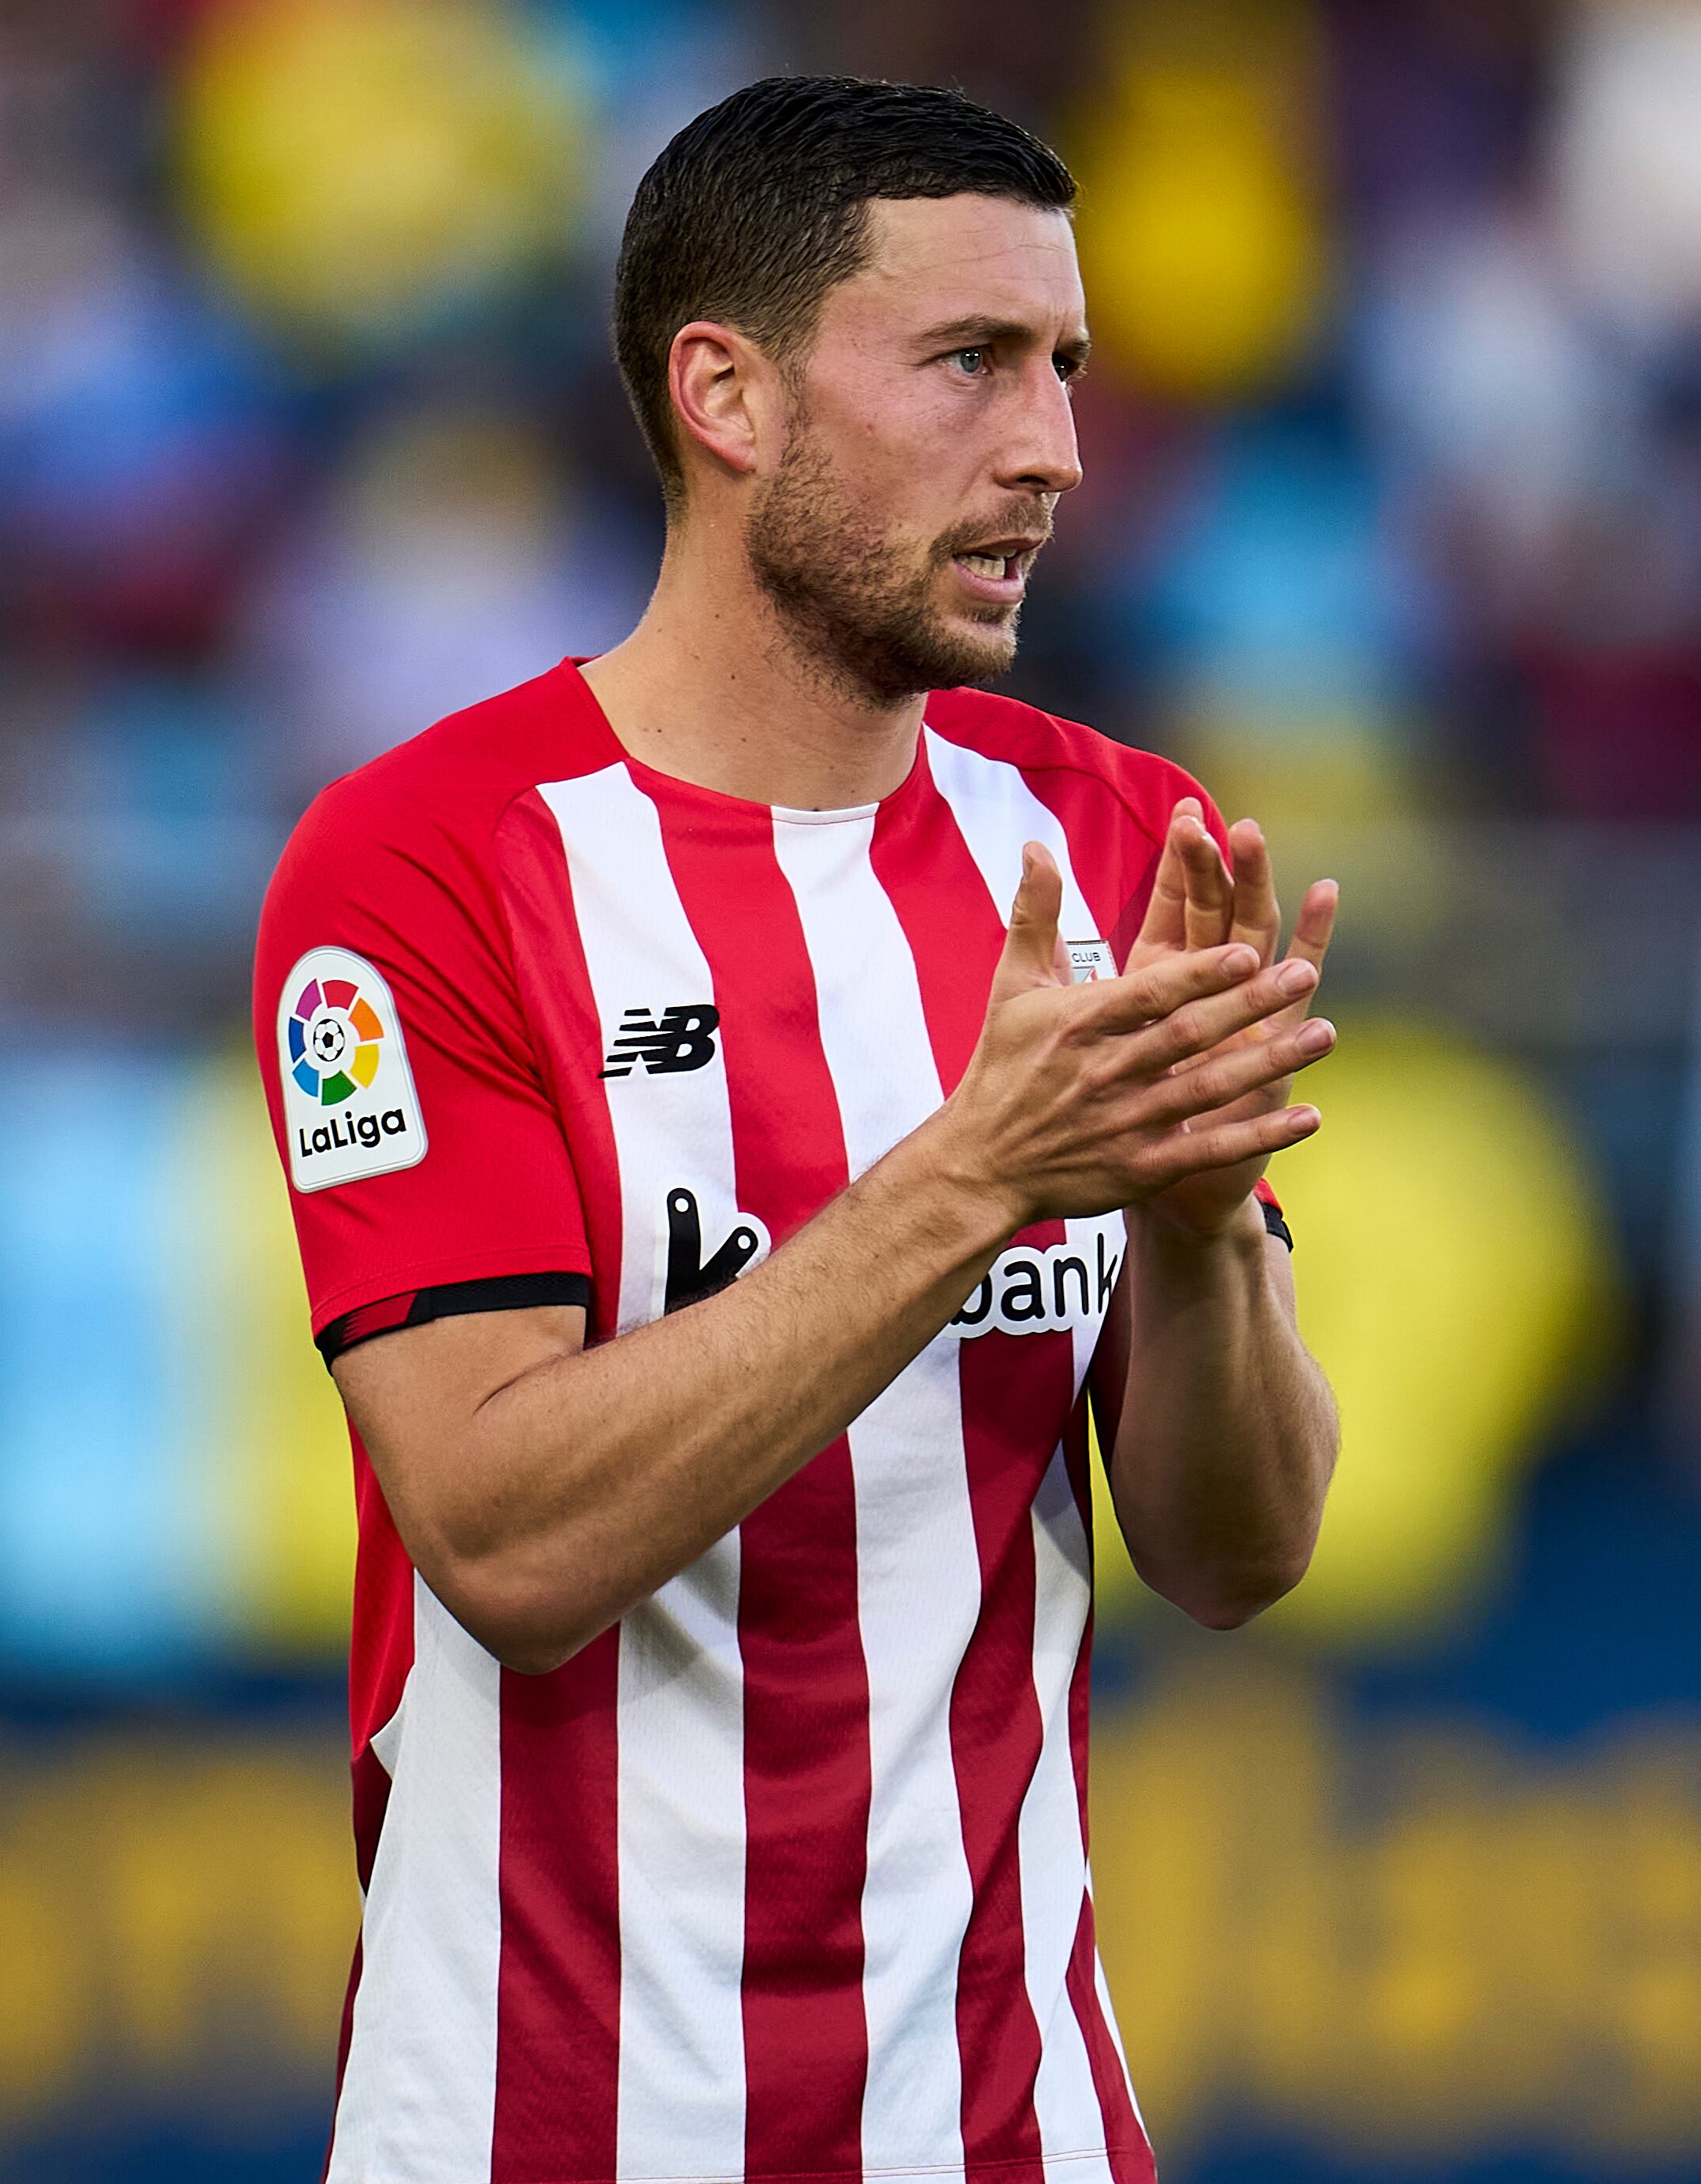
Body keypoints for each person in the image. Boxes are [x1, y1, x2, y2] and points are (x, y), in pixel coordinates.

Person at [254, 75, 1341, 2184]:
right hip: (531, 2125)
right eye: (967, 364)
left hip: (1001, 2127)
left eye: (1065, 370)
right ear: (725, 394)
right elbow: (508, 1543)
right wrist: (975, 1175)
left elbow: (1236, 1553)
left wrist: (1205, 1233)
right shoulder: (424, 870)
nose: (1050, 449)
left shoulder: (1110, 839)